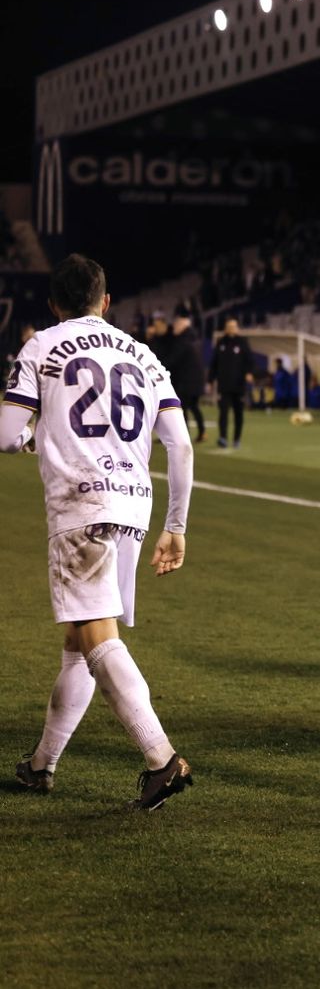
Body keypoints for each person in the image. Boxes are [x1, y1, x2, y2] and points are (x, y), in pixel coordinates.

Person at [2, 254, 196, 809]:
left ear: (53, 304)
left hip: (81, 504)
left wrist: (35, 438)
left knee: (97, 638)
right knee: (79, 643)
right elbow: (179, 445)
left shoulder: (42, 344)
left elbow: (6, 432)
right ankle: (41, 765)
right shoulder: (142, 353)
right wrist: (176, 526)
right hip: (134, 507)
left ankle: (162, 760)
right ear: (106, 302)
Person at [209, 317, 254, 448]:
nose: (231, 329)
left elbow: (249, 360)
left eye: (233, 326)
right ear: (225, 328)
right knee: (223, 413)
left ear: (237, 328)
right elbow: (214, 363)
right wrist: (210, 380)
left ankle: (236, 439)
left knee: (238, 413)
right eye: (229, 326)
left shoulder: (243, 342)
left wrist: (249, 373)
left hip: (239, 385)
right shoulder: (221, 342)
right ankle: (222, 437)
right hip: (224, 385)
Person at [164, 313, 206, 443]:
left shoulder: (183, 341)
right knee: (194, 406)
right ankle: (202, 432)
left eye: (176, 324)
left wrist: (158, 367)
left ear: (183, 325)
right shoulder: (194, 339)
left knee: (182, 409)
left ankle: (184, 436)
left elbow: (173, 360)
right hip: (196, 380)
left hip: (186, 381)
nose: (174, 327)